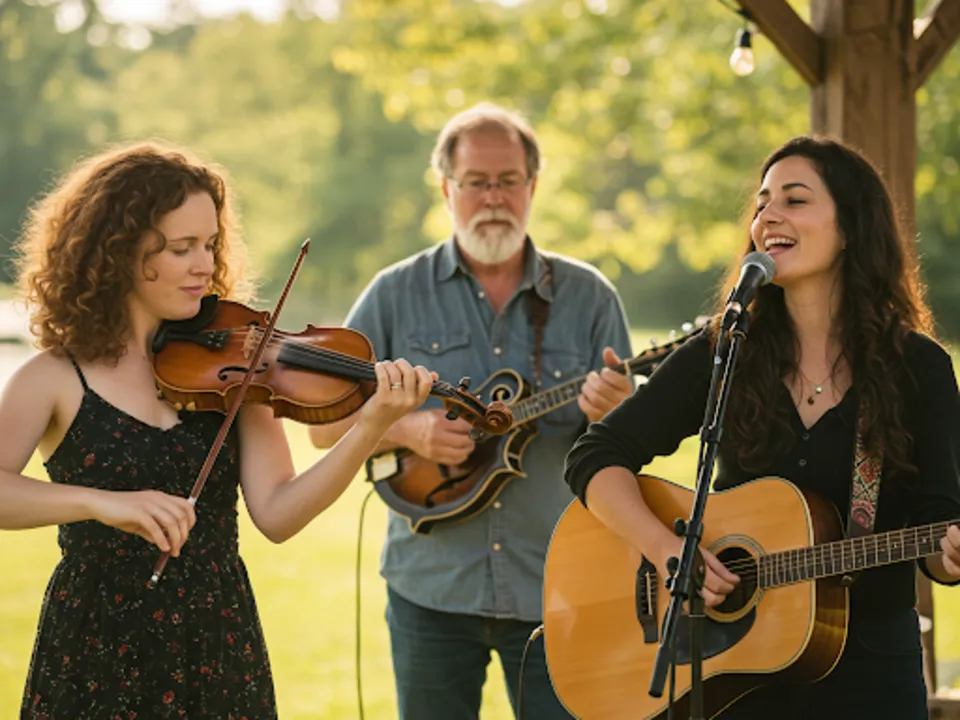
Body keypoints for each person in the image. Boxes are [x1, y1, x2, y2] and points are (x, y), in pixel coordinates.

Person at [1, 141, 435, 719]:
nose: (205, 264)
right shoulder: (55, 376)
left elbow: (278, 515)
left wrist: (370, 425)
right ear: (118, 250)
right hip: (94, 636)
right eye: (182, 248)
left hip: (217, 633)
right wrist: (99, 503)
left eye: (209, 244)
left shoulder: (239, 371)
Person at [564, 135, 960, 719]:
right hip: (734, 669)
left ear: (851, 227)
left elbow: (938, 523)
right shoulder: (727, 349)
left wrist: (947, 556)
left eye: (795, 201)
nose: (768, 216)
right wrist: (668, 551)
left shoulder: (918, 367)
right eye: (762, 202)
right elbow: (596, 455)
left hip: (869, 670)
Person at [309, 102, 634, 719]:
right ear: (446, 188)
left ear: (532, 186)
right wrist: (406, 429)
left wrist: (613, 413)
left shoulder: (590, 297)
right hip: (429, 589)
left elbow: (630, 449)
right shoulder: (393, 292)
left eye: (508, 181)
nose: (493, 197)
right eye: (476, 182)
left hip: (558, 591)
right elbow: (324, 426)